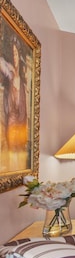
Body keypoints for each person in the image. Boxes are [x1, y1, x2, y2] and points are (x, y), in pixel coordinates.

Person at [0, 38, 28, 171]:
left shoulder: (21, 83)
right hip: (11, 124)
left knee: (19, 159)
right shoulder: (10, 76)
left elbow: (24, 111)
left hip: (20, 127)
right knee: (12, 158)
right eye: (12, 54)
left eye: (16, 54)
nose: (15, 57)